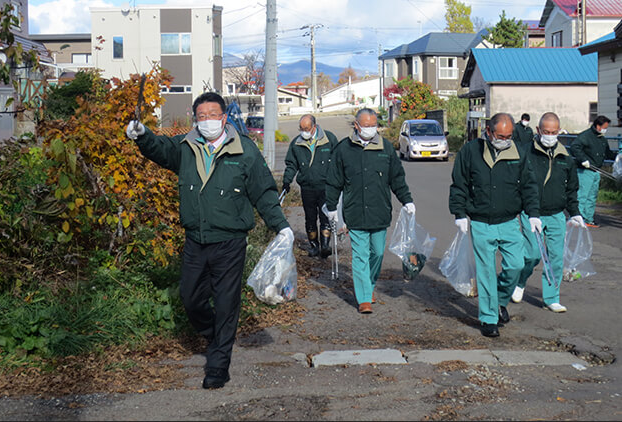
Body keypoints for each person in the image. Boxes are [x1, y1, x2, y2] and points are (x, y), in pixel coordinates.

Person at [125, 92, 293, 390]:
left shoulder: (245, 151)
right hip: (195, 240)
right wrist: (142, 135)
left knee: (227, 303)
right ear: (195, 119)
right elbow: (160, 149)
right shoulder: (186, 147)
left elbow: (264, 192)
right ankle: (215, 333)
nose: (207, 121)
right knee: (190, 297)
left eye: (212, 115)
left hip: (230, 241)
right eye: (201, 116)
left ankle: (218, 365)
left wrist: (281, 226)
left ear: (224, 117)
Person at [449, 113, 540, 338]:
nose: (505, 140)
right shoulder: (470, 151)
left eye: (509, 136)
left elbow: (529, 185)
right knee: (486, 272)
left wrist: (534, 214)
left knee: (516, 265)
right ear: (489, 132)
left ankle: (499, 301)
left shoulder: (518, 152)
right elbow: (459, 184)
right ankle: (489, 318)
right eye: (501, 136)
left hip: (510, 221)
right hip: (481, 222)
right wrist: (460, 213)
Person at [325, 108, 415, 314]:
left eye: (373, 125)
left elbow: (397, 178)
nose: (370, 129)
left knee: (377, 252)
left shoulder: (386, 149)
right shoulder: (343, 150)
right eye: (366, 125)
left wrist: (407, 200)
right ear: (356, 125)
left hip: (379, 211)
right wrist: (331, 208)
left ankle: (369, 283)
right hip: (355, 212)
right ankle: (364, 298)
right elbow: (333, 181)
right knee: (360, 256)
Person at [511, 112, 585, 313]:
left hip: (555, 214)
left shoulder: (565, 158)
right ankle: (520, 281)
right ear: (538, 130)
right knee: (533, 254)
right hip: (530, 213)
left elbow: (571, 189)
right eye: (546, 131)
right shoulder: (526, 152)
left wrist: (575, 212)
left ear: (559, 131)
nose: (550, 136)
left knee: (555, 258)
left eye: (554, 132)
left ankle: (551, 298)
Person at [282, 115, 338, 258]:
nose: (304, 131)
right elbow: (291, 164)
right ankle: (314, 246)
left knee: (326, 216)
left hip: (325, 186)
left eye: (306, 128)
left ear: (314, 126)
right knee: (310, 217)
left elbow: (338, 161)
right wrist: (286, 181)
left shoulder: (329, 139)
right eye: (301, 128)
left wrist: (339, 181)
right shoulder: (296, 143)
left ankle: (325, 245)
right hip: (307, 187)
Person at [570, 115, 619, 228]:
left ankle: (588, 219)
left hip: (596, 170)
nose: (605, 130)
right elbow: (574, 147)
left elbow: (608, 153)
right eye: (604, 127)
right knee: (583, 195)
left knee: (592, 196)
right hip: (585, 170)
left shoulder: (602, 139)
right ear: (598, 126)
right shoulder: (586, 136)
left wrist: (617, 157)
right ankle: (578, 218)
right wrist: (583, 160)